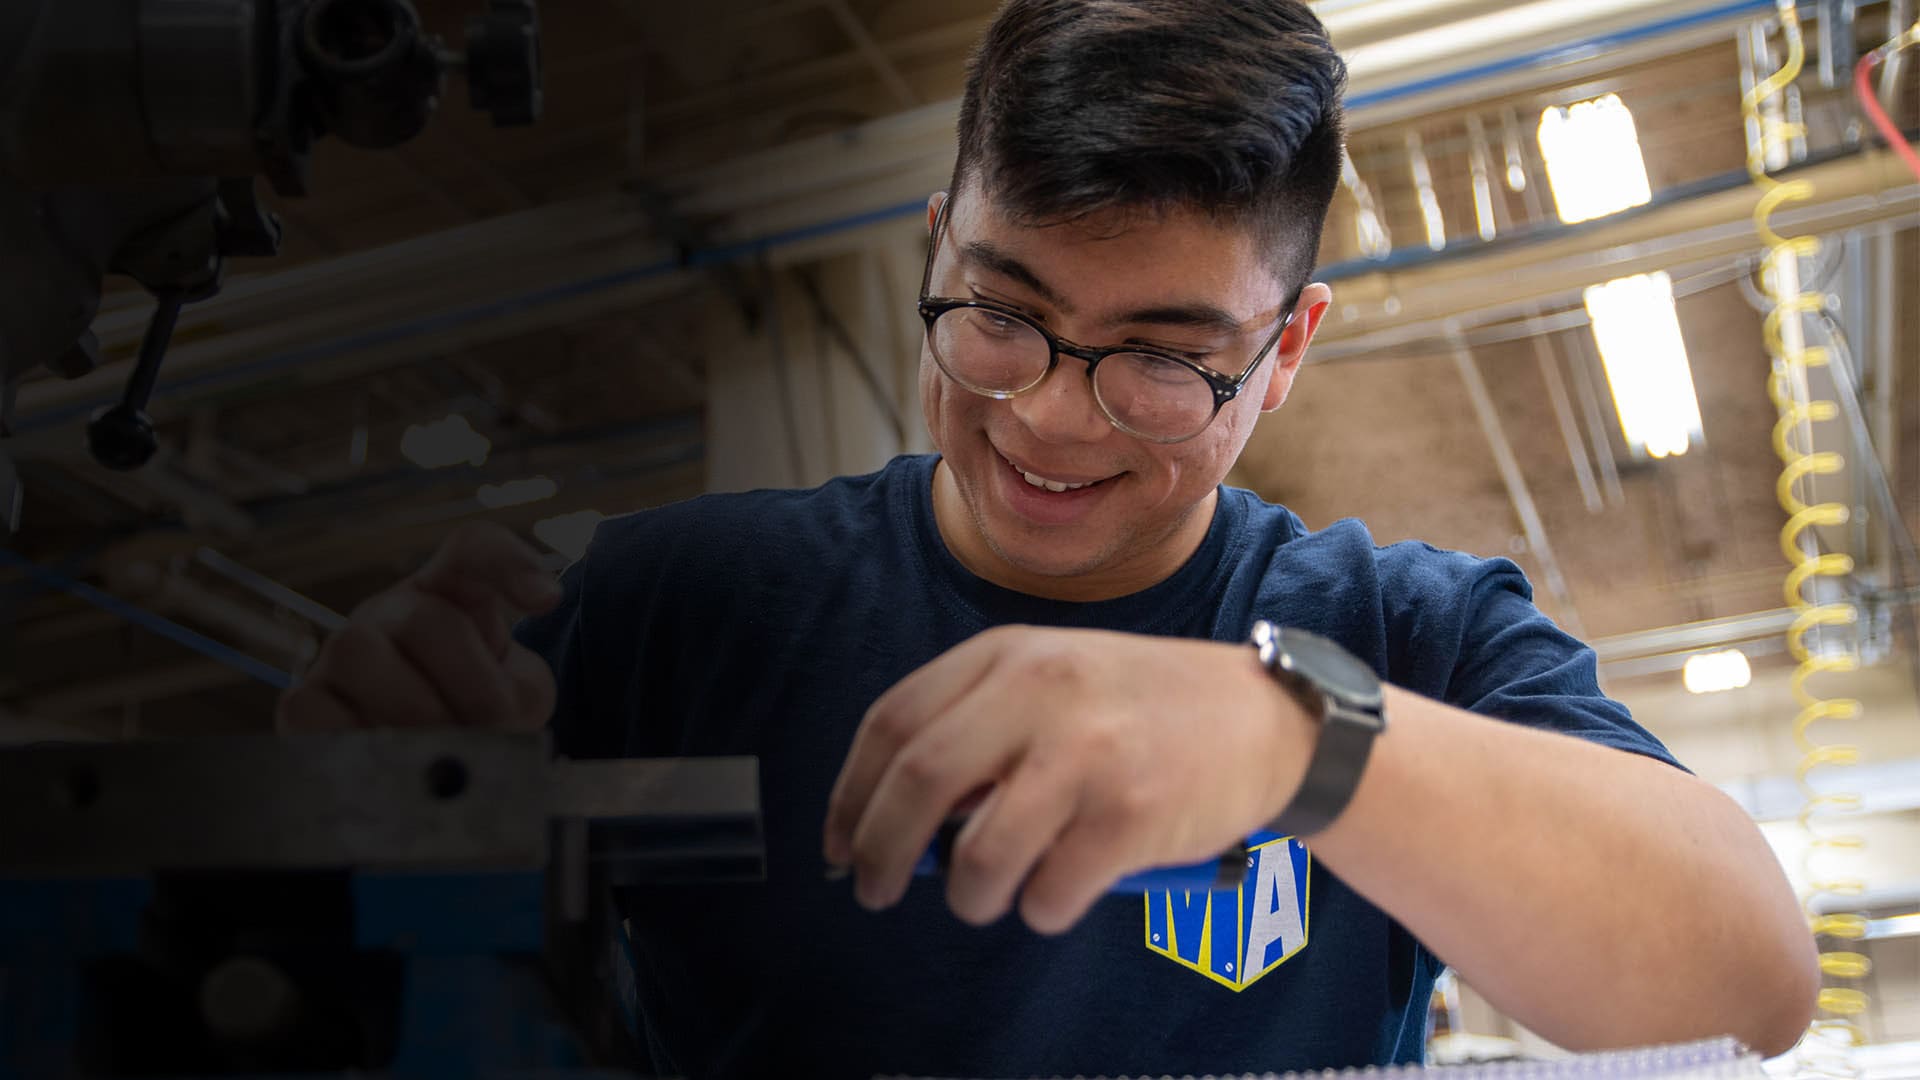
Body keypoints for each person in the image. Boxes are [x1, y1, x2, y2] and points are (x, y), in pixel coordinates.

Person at [276, 1, 1820, 1076]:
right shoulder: (686, 602)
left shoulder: (1400, 636)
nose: (1056, 419)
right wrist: (341, 791)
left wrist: (1305, 743)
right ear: (930, 251)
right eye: (1003, 316)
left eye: (1163, 355)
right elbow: (319, 973)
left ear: (1284, 354)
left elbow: (1752, 984)